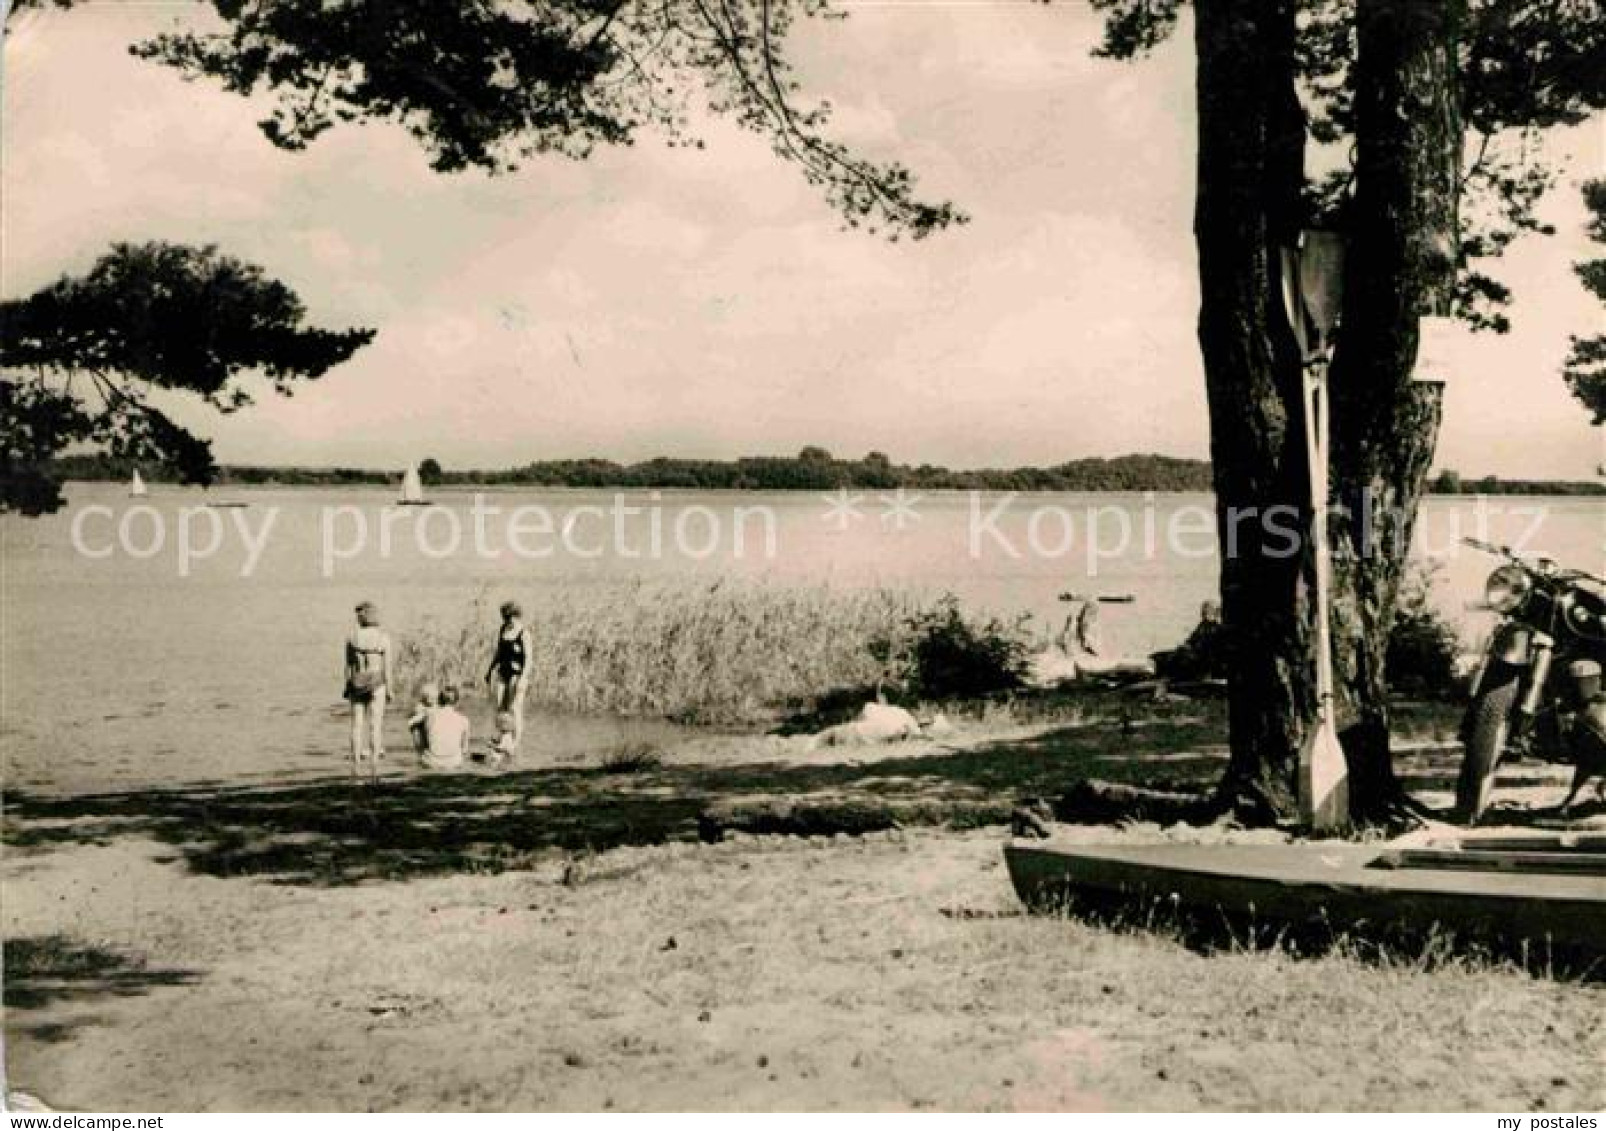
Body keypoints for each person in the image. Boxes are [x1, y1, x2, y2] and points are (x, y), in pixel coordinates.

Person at [343, 601, 393, 778]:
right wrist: (390, 690)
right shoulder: (383, 637)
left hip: (357, 681)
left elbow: (349, 667)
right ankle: (374, 763)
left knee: (356, 725)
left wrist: (346, 687)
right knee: (375, 725)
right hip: (376, 681)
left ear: (360, 617)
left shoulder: (351, 637)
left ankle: (356, 762)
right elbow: (387, 668)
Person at [484, 601, 533, 752]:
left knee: (514, 708)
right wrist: (490, 669)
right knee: (499, 706)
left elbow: (529, 659)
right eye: (504, 617)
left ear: (516, 616)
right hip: (502, 671)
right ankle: (503, 737)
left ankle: (515, 742)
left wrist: (523, 679)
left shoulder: (524, 633)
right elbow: (499, 652)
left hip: (517, 674)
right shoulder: (503, 629)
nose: (506, 620)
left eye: (509, 617)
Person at [420, 685, 471, 770]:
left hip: (432, 762)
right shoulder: (464, 720)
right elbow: (465, 750)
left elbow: (425, 741)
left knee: (416, 727)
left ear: (439, 700)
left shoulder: (429, 716)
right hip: (454, 762)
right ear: (457, 701)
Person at [408, 681, 441, 754]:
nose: (434, 701)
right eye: (431, 698)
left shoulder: (438, 706)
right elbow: (412, 721)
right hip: (422, 731)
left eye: (435, 699)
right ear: (424, 697)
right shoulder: (419, 707)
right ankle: (421, 751)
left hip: (434, 732)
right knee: (415, 728)